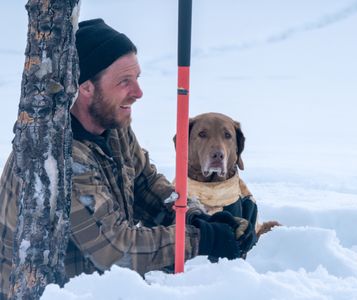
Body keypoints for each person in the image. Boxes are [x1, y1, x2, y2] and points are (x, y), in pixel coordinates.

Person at [0, 18, 254, 299]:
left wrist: (199, 219)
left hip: (91, 286)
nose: (138, 93)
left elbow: (146, 185)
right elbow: (117, 250)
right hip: (49, 293)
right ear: (85, 87)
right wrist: (202, 240)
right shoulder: (58, 157)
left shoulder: (111, 125)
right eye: (124, 82)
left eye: (137, 79)